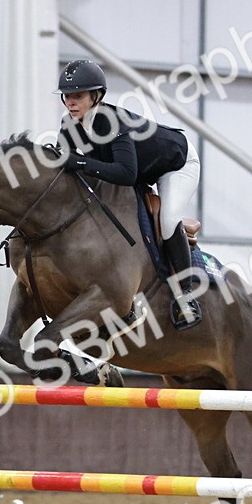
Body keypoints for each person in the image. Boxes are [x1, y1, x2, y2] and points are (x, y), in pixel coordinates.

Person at [55, 59, 203, 330]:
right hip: (142, 171)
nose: (70, 102)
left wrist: (77, 162)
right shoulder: (69, 126)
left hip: (176, 164)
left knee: (168, 220)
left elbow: (125, 174)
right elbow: (63, 170)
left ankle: (185, 296)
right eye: (67, 96)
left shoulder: (113, 122)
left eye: (77, 96)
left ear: (96, 96)